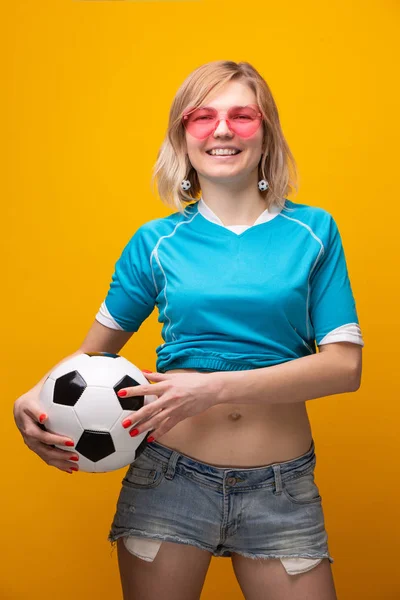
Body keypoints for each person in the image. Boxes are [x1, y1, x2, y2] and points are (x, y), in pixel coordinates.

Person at [14, 60, 364, 600]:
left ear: (266, 131)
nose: (222, 130)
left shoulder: (314, 232)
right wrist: (28, 401)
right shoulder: (154, 242)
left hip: (282, 487)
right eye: (203, 117)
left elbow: (345, 367)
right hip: (168, 480)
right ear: (183, 135)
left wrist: (213, 386)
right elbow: (85, 365)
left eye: (241, 116)